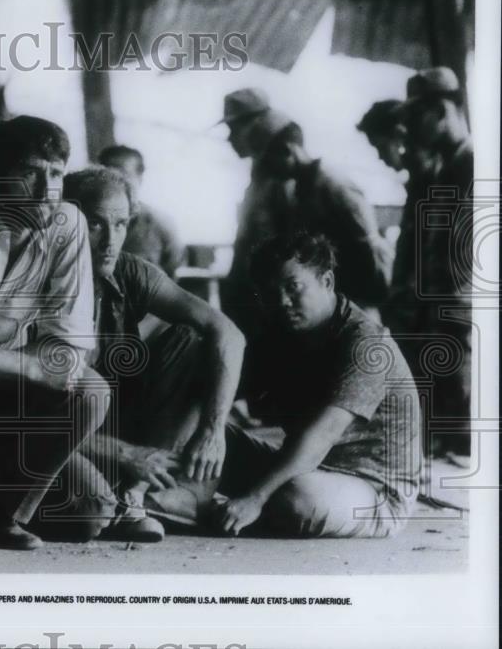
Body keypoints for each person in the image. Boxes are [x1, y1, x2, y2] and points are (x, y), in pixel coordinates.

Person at [0, 116, 113, 550]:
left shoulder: (66, 223)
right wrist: (31, 369)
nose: (46, 190)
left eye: (56, 174)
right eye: (29, 172)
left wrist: (34, 368)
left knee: (89, 508)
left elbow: (68, 349)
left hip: (5, 393)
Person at [62, 167, 246, 541]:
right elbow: (19, 408)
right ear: (66, 220)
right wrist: (125, 454)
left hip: (105, 423)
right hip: (51, 432)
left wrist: (213, 431)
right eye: (95, 225)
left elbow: (227, 332)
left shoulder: (128, 270)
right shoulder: (42, 278)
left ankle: (136, 495)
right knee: (90, 515)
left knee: (190, 338)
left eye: (120, 224)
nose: (110, 241)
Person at [215, 232, 422, 538]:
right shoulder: (281, 334)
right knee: (205, 433)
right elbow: (228, 389)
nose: (282, 302)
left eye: (293, 288)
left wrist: (255, 497)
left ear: (327, 281)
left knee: (297, 500)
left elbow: (322, 435)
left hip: (372, 490)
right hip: (303, 468)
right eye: (271, 293)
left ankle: (227, 508)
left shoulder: (367, 344)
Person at [390, 67, 473, 457]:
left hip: (462, 312)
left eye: (416, 116)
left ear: (440, 110)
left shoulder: (473, 163)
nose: (411, 129)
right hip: (443, 311)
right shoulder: (443, 167)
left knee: (463, 438)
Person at [248, 116, 392, 317]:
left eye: (268, 161)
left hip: (355, 305)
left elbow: (369, 250)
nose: (267, 170)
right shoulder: (299, 189)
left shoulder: (334, 186)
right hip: (327, 302)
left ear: (288, 150)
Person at [216, 88, 295, 335]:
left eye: (233, 129)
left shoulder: (281, 181)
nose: (230, 139)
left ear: (258, 126)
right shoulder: (259, 177)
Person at [97, 144, 186, 277]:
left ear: (140, 178)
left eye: (123, 175)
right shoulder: (87, 221)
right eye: (107, 175)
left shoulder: (160, 224)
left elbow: (173, 267)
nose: (115, 183)